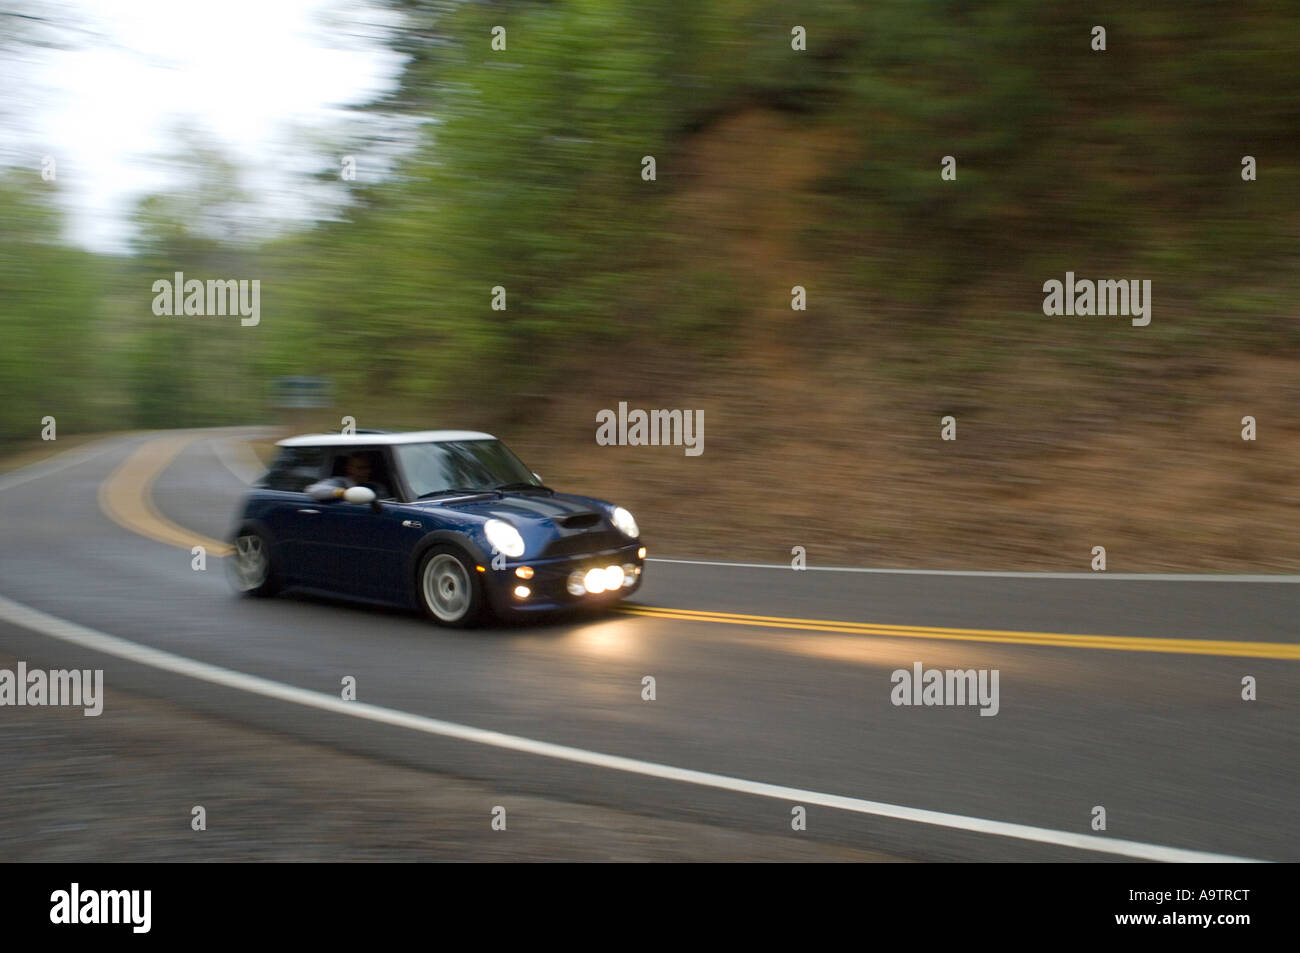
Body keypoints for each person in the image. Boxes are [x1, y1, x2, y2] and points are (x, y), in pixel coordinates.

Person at [306, 452, 391, 501]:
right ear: (349, 469)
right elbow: (314, 490)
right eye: (361, 468)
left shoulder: (378, 487)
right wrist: (345, 493)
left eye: (368, 468)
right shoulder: (340, 482)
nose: (367, 471)